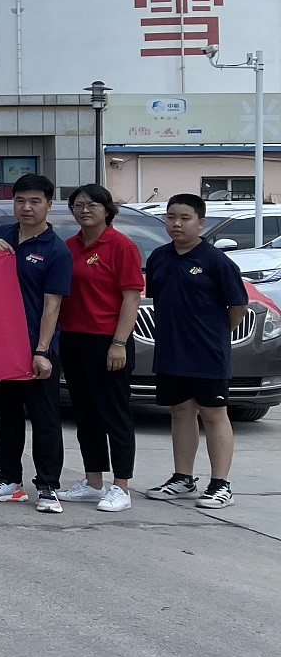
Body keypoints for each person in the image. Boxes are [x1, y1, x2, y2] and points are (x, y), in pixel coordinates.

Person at [142, 194, 248, 510]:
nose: (176, 223)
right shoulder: (159, 257)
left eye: (184, 218)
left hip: (207, 352)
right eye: (171, 217)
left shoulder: (215, 261)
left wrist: (217, 335)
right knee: (179, 412)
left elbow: (238, 305)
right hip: (171, 351)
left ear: (200, 222)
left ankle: (221, 485)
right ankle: (182, 479)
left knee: (214, 414)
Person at [0, 173, 72, 513]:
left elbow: (52, 306)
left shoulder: (56, 250)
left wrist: (42, 350)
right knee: (6, 417)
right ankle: (9, 480)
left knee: (44, 420)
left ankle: (47, 486)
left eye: (35, 201)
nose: (27, 207)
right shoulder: (0, 235)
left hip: (36, 348)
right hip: (1, 346)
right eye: (20, 200)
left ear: (49, 205)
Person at [56, 183, 144, 513]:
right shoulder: (69, 246)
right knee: (85, 413)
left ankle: (121, 486)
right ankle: (93, 482)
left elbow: (131, 298)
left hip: (108, 340)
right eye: (78, 205)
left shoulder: (121, 246)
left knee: (114, 414)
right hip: (73, 338)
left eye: (93, 205)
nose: (85, 210)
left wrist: (119, 343)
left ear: (107, 210)